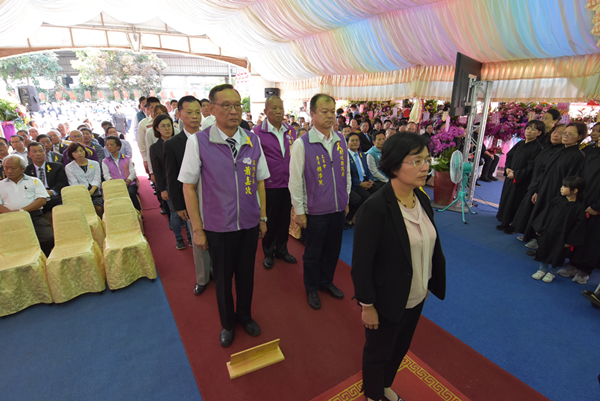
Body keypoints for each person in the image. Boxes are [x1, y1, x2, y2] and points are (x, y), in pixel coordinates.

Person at [351, 133, 445, 401]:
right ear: (393, 166)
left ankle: (385, 385)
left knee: (400, 347)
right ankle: (372, 394)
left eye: (427, 160)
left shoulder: (422, 199)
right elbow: (361, 264)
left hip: (416, 293)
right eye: (416, 161)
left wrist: (428, 283)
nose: (425, 167)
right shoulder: (375, 208)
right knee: (378, 352)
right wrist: (367, 305)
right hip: (386, 300)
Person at [180, 84, 269, 347]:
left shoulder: (252, 140)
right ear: (211, 109)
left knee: (246, 275)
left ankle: (245, 316)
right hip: (218, 226)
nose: (234, 111)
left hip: (248, 223)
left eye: (238, 105)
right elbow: (189, 186)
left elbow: (261, 181)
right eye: (227, 105)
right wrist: (197, 229)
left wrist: (263, 217)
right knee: (221, 278)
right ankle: (227, 323)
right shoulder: (199, 141)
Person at [289, 93, 350, 310]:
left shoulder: (341, 139)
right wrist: (300, 210)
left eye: (332, 111)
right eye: (324, 111)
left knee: (333, 250)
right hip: (315, 210)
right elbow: (295, 181)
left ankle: (326, 282)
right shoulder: (302, 144)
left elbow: (346, 173)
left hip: (337, 207)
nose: (329, 116)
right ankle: (311, 288)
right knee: (313, 253)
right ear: (312, 114)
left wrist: (346, 198)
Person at [165, 95, 212, 295]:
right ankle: (202, 278)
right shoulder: (173, 144)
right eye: (189, 112)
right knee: (198, 238)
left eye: (197, 112)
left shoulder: (210, 137)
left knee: (216, 238)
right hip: (190, 199)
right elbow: (171, 177)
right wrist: (179, 205)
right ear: (179, 114)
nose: (194, 116)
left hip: (213, 198)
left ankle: (216, 270)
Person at [519, 123, 586, 249]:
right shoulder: (559, 151)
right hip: (545, 188)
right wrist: (538, 190)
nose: (565, 136)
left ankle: (543, 246)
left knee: (551, 219)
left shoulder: (578, 156)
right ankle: (536, 239)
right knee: (540, 214)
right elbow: (546, 172)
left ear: (580, 137)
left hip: (559, 193)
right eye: (564, 133)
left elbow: (572, 179)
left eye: (570, 134)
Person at [253, 96, 298, 270]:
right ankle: (268, 252)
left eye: (281, 108)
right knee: (269, 221)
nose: (279, 111)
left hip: (288, 183)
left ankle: (282, 249)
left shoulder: (290, 131)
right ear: (265, 111)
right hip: (269, 185)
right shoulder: (257, 132)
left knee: (284, 220)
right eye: (275, 108)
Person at [511, 124, 565, 239]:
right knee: (528, 209)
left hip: (545, 186)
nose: (555, 135)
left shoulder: (560, 152)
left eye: (561, 133)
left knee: (539, 211)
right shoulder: (546, 148)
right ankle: (527, 234)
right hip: (534, 182)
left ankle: (535, 238)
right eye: (555, 132)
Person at [531, 176, 586, 283]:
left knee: (558, 254)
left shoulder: (578, 208)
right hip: (549, 231)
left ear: (575, 190)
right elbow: (545, 214)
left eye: (565, 186)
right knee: (544, 249)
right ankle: (542, 270)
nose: (561, 188)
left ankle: (552, 272)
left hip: (563, 236)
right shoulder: (556, 201)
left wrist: (570, 241)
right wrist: (540, 228)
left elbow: (578, 226)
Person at [560, 137, 600, 285]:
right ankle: (573, 264)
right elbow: (580, 176)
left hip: (597, 208)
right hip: (584, 201)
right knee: (578, 232)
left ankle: (585, 270)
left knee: (594, 239)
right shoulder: (592, 155)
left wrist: (597, 207)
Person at [0, 155, 55, 256]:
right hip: (8, 218)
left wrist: (21, 211)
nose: (8, 171)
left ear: (23, 168)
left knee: (48, 238)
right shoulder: (1, 184)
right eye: (6, 167)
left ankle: (42, 258)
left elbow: (42, 200)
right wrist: (12, 214)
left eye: (13, 168)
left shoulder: (34, 181)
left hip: (33, 216)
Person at [496, 120, 544, 233]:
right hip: (510, 175)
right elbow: (510, 156)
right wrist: (507, 168)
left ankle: (513, 225)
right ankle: (504, 221)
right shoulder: (520, 143)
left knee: (516, 201)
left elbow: (531, 166)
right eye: (528, 128)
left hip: (522, 180)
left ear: (539, 133)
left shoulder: (537, 148)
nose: (529, 131)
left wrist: (516, 174)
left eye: (533, 129)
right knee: (507, 198)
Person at [150, 114, 190, 249]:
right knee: (174, 212)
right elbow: (157, 170)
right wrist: (162, 189)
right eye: (163, 126)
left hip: (184, 182)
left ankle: (190, 237)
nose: (167, 129)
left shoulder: (179, 142)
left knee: (189, 211)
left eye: (169, 125)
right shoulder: (155, 148)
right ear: (157, 128)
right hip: (168, 183)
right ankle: (179, 238)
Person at [24, 141, 68, 218]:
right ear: (29, 154)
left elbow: (62, 183)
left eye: (41, 151)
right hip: (35, 197)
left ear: (45, 152)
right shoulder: (26, 170)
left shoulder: (57, 167)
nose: (38, 154)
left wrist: (51, 192)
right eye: (34, 152)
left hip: (52, 196)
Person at [102, 136, 141, 211]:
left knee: (131, 193)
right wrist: (117, 183)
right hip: (114, 184)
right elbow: (106, 175)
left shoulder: (127, 158)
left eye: (112, 144)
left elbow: (132, 172)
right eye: (107, 145)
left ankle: (138, 212)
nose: (109, 146)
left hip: (129, 183)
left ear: (118, 146)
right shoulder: (105, 161)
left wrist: (128, 181)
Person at [65, 142, 103, 217]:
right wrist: (85, 193)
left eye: (81, 150)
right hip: (79, 192)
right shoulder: (69, 167)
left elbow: (97, 179)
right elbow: (73, 183)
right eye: (75, 152)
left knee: (98, 208)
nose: (79, 153)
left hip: (94, 190)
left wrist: (91, 191)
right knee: (84, 210)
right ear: (71, 154)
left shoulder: (95, 164)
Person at [137, 96, 161, 174]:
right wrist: (145, 159)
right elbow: (142, 143)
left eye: (157, 106)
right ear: (148, 109)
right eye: (153, 107)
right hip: (152, 157)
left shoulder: (166, 120)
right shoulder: (143, 123)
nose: (156, 109)